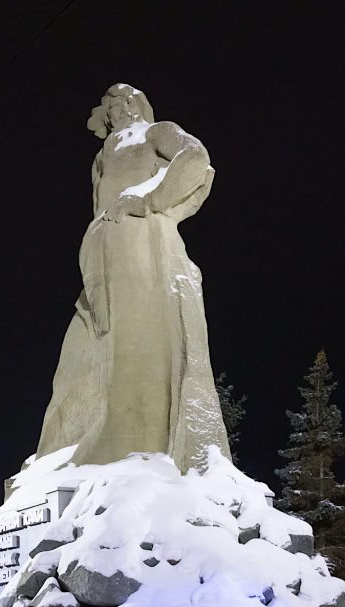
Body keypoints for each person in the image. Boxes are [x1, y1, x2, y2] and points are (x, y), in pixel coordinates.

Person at [35, 84, 230, 475]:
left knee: (136, 344)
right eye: (110, 106)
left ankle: (132, 448)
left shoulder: (156, 133)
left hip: (143, 246)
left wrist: (150, 199)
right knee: (83, 352)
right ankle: (61, 452)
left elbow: (196, 158)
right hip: (102, 254)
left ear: (136, 104)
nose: (117, 111)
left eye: (123, 102)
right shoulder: (101, 156)